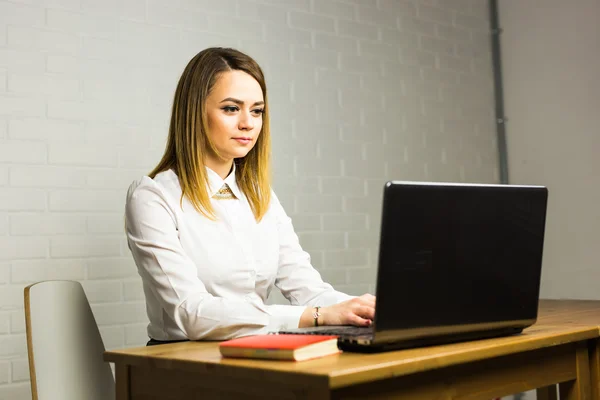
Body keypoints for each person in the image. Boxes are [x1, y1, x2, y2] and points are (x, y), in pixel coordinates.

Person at [124, 47, 376, 344]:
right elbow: (191, 312)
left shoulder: (259, 196)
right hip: (179, 360)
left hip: (254, 351)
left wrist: (362, 308)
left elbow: (308, 289)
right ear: (195, 112)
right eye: (231, 108)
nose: (248, 123)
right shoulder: (153, 196)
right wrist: (318, 316)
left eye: (257, 110)